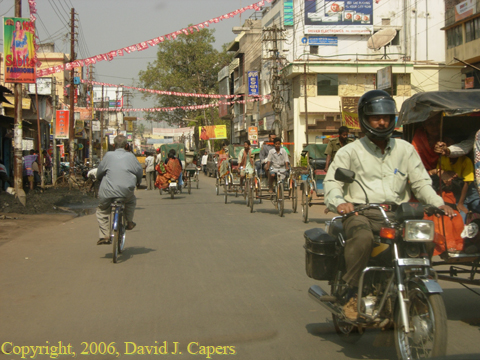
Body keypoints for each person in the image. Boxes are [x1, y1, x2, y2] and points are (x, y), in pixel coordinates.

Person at [324, 90, 454, 320]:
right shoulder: (349, 151)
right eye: (376, 117)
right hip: (361, 212)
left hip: (399, 213)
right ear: (365, 118)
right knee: (363, 238)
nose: (382, 121)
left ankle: (417, 285)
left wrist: (438, 203)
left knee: (424, 235)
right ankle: (352, 292)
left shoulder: (405, 149)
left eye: (387, 116)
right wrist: (340, 202)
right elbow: (333, 182)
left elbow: (421, 182)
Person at [412, 115, 467, 254]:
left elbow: (457, 159)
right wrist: (436, 172)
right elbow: (414, 170)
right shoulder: (417, 143)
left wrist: (446, 151)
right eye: (431, 123)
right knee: (434, 214)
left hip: (443, 186)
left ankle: (456, 245)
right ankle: (443, 245)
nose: (435, 126)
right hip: (420, 185)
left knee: (453, 213)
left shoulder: (447, 141)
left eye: (437, 123)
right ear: (424, 125)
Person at [96, 135, 143, 245]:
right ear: (126, 145)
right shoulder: (131, 156)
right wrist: (138, 182)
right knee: (131, 201)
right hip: (126, 191)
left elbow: (100, 172)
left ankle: (105, 235)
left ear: (113, 145)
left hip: (107, 191)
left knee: (102, 210)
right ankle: (129, 222)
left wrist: (99, 179)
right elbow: (139, 171)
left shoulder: (108, 156)